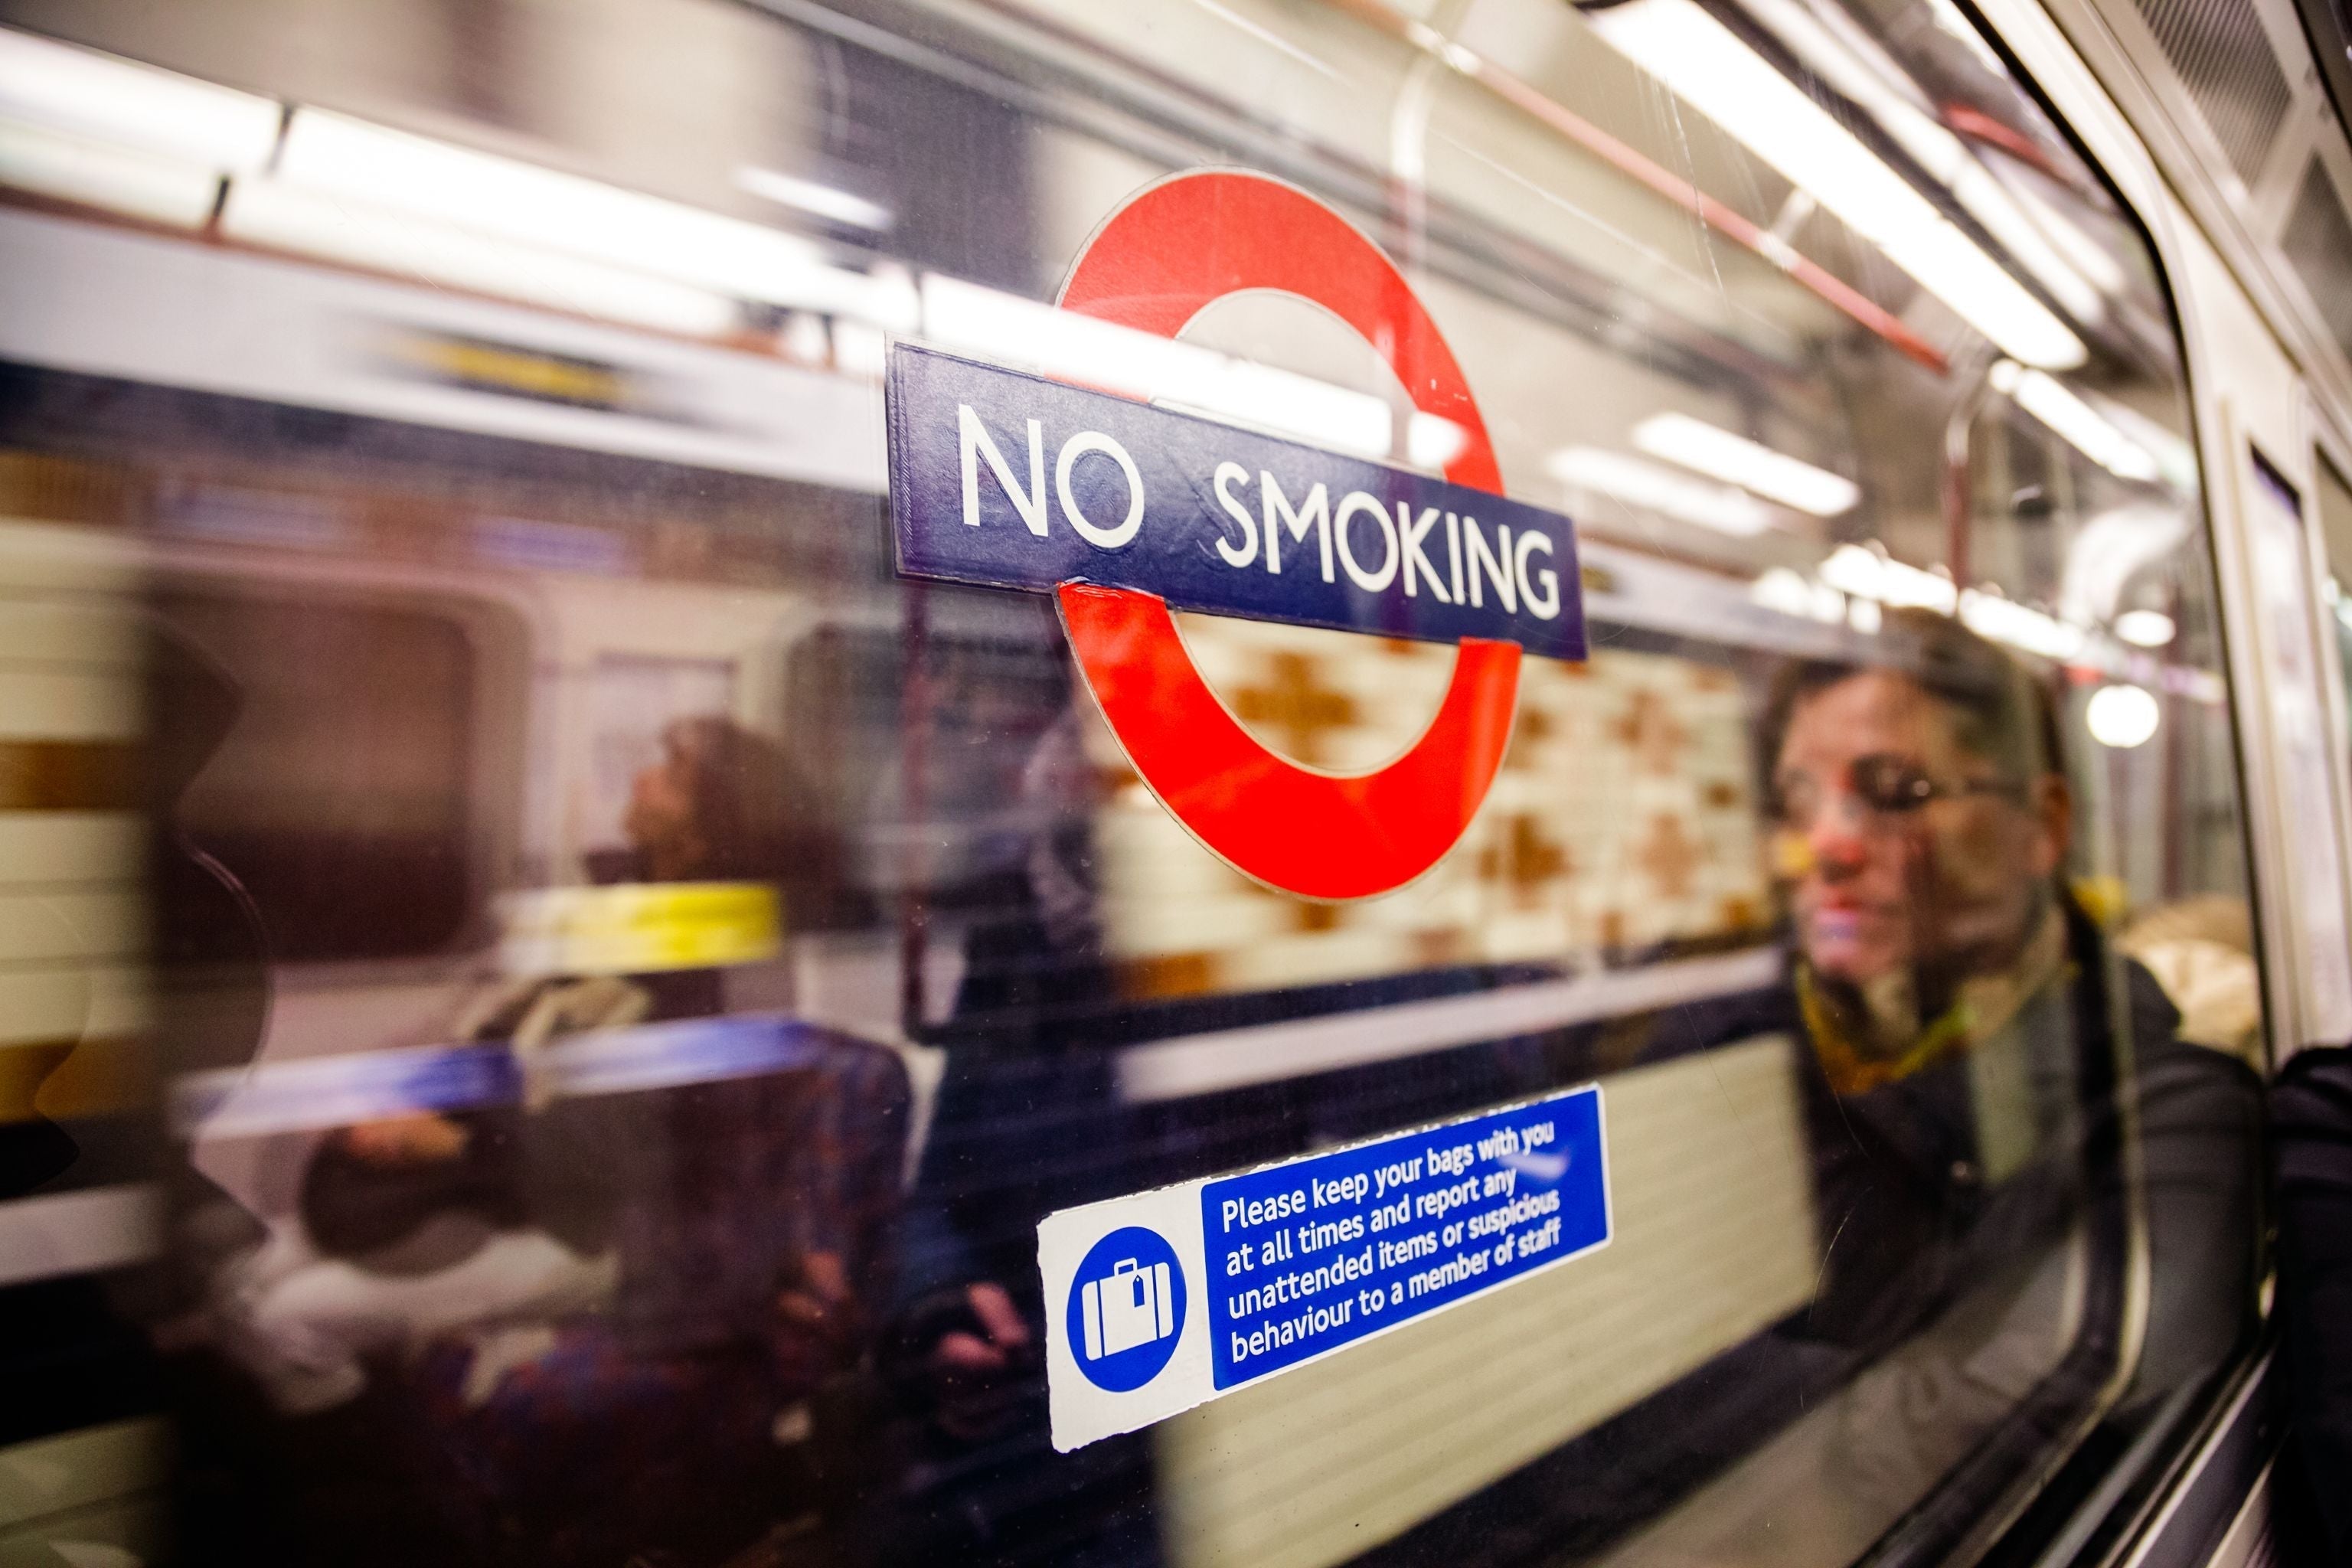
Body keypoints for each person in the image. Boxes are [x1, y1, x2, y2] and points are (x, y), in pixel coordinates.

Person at [1757, 608, 2259, 1514]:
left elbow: (1931, 1455)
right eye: (1796, 801)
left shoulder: (2171, 1111)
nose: (1823, 845)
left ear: (2042, 824)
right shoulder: (1743, 1065)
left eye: (1896, 790)